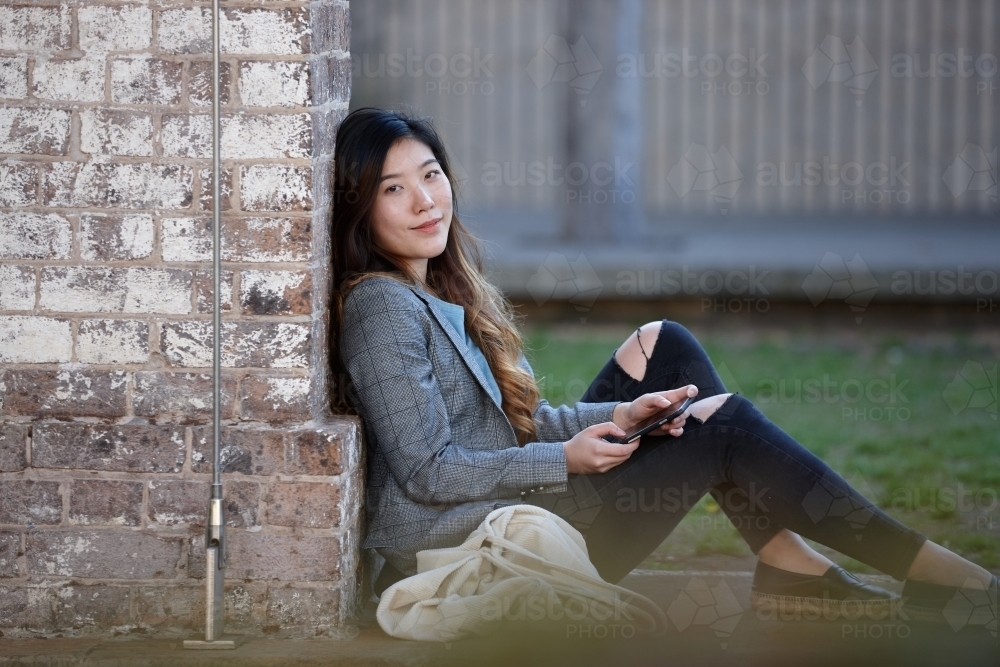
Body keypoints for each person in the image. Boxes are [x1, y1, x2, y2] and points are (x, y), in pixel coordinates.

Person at [329, 107, 997, 626]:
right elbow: (428, 468)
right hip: (476, 546)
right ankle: (930, 568)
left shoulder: (437, 290)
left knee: (665, 345)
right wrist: (570, 460)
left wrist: (619, 417)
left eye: (431, 174)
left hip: (512, 500)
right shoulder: (382, 306)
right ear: (362, 208)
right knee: (723, 425)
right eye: (394, 188)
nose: (426, 200)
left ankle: (789, 565)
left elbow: (513, 427)